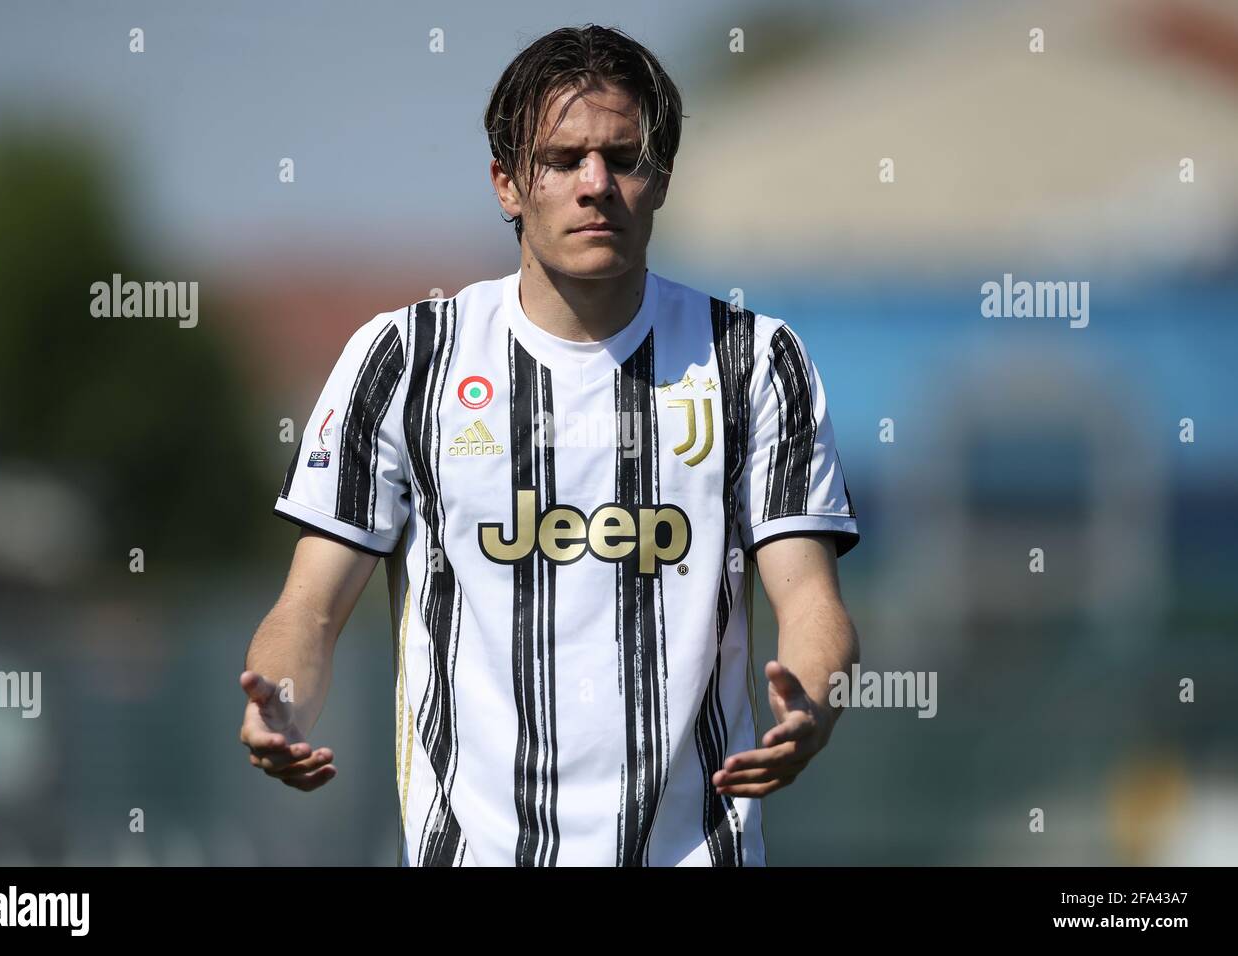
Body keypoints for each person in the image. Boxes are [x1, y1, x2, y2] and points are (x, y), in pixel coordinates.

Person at [239, 23, 860, 867]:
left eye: (624, 157)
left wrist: (812, 707)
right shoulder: (404, 360)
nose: (595, 184)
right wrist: (279, 700)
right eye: (563, 160)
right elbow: (309, 608)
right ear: (507, 184)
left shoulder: (756, 361)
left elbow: (811, 602)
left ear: (661, 179)